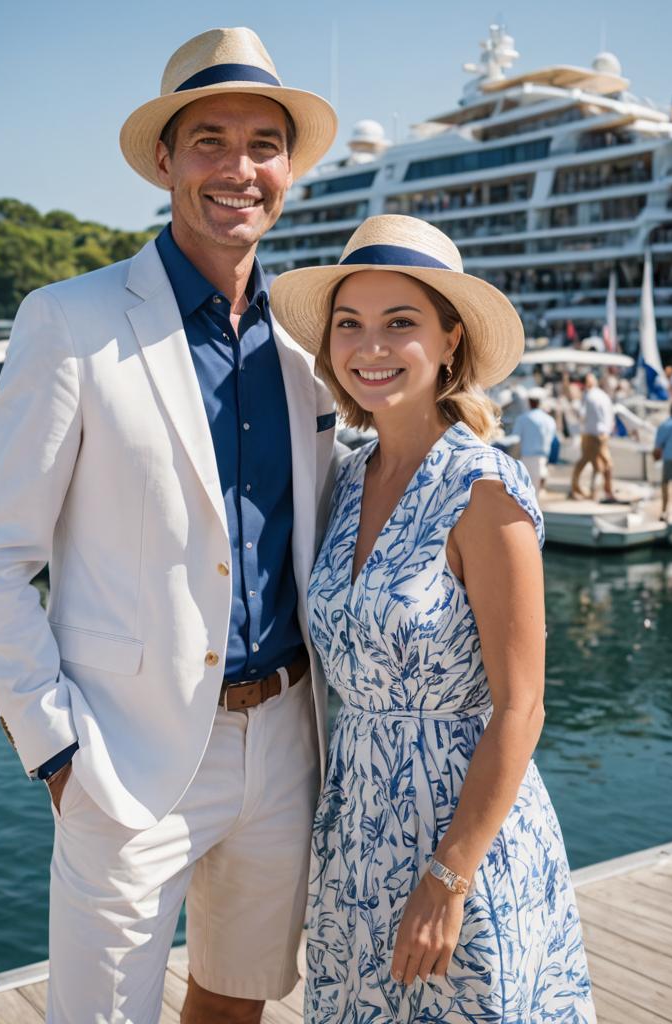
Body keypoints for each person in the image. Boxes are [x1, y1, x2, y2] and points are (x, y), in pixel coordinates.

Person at [0, 27, 338, 1024]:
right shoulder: (68, 321)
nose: (238, 168)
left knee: (236, 1002)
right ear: (163, 160)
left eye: (263, 143)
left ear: (287, 168)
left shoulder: (312, 342)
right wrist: (54, 750)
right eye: (208, 139)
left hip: (288, 736)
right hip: (120, 760)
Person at [271, 215, 595, 1022]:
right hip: (356, 834)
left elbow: (522, 707)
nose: (369, 347)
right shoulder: (343, 480)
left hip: (461, 836)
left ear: (451, 341)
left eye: (399, 324)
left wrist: (449, 877)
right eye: (350, 325)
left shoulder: (485, 488)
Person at [569, 372, 618, 501]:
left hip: (590, 434)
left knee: (589, 463)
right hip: (602, 434)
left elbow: (581, 414)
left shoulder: (588, 396)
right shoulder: (603, 396)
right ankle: (605, 491)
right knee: (603, 464)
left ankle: (580, 489)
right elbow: (610, 414)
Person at [513, 390, 557, 494]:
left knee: (525, 489)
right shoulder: (549, 419)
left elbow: (515, 438)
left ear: (529, 402)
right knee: (537, 490)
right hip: (542, 457)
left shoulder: (522, 418)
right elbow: (551, 438)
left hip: (526, 457)